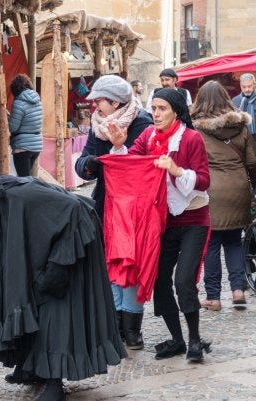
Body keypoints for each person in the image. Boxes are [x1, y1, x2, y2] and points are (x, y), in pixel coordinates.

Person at [0, 151, 126, 401]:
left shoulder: (18, 195)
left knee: (52, 310)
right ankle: (31, 366)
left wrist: (58, 265)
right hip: (44, 253)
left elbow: (76, 210)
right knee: (23, 301)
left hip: (71, 245)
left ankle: (54, 382)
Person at [107, 88, 212, 362]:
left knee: (183, 281)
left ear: (176, 111)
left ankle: (195, 340)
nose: (155, 113)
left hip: (193, 220)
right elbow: (132, 166)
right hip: (162, 222)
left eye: (162, 108)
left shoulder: (191, 139)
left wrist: (175, 170)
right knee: (160, 281)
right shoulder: (148, 136)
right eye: (153, 108)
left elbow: (203, 181)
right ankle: (177, 340)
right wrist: (119, 147)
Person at [74, 74, 153, 350]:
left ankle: (132, 329)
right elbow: (82, 161)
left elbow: (144, 166)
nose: (95, 106)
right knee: (111, 264)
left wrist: (120, 150)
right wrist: (91, 164)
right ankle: (115, 326)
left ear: (116, 102)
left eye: (100, 101)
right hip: (107, 202)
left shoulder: (143, 123)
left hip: (135, 206)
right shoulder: (99, 125)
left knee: (130, 265)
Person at [191, 81, 256, 310]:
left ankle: (213, 297)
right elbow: (253, 160)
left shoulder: (195, 130)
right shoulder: (241, 126)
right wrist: (243, 178)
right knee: (233, 242)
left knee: (211, 244)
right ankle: (238, 290)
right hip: (238, 189)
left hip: (210, 191)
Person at [231, 73, 256, 194]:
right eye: (244, 87)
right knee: (245, 167)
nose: (247, 89)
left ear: (254, 85)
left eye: (249, 86)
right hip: (241, 141)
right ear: (240, 86)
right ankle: (246, 192)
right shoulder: (236, 101)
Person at [8, 73, 43, 177]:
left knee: (24, 181)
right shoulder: (37, 101)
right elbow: (30, 121)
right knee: (28, 179)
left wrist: (8, 119)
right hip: (36, 145)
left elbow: (13, 128)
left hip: (22, 146)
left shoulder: (18, 103)